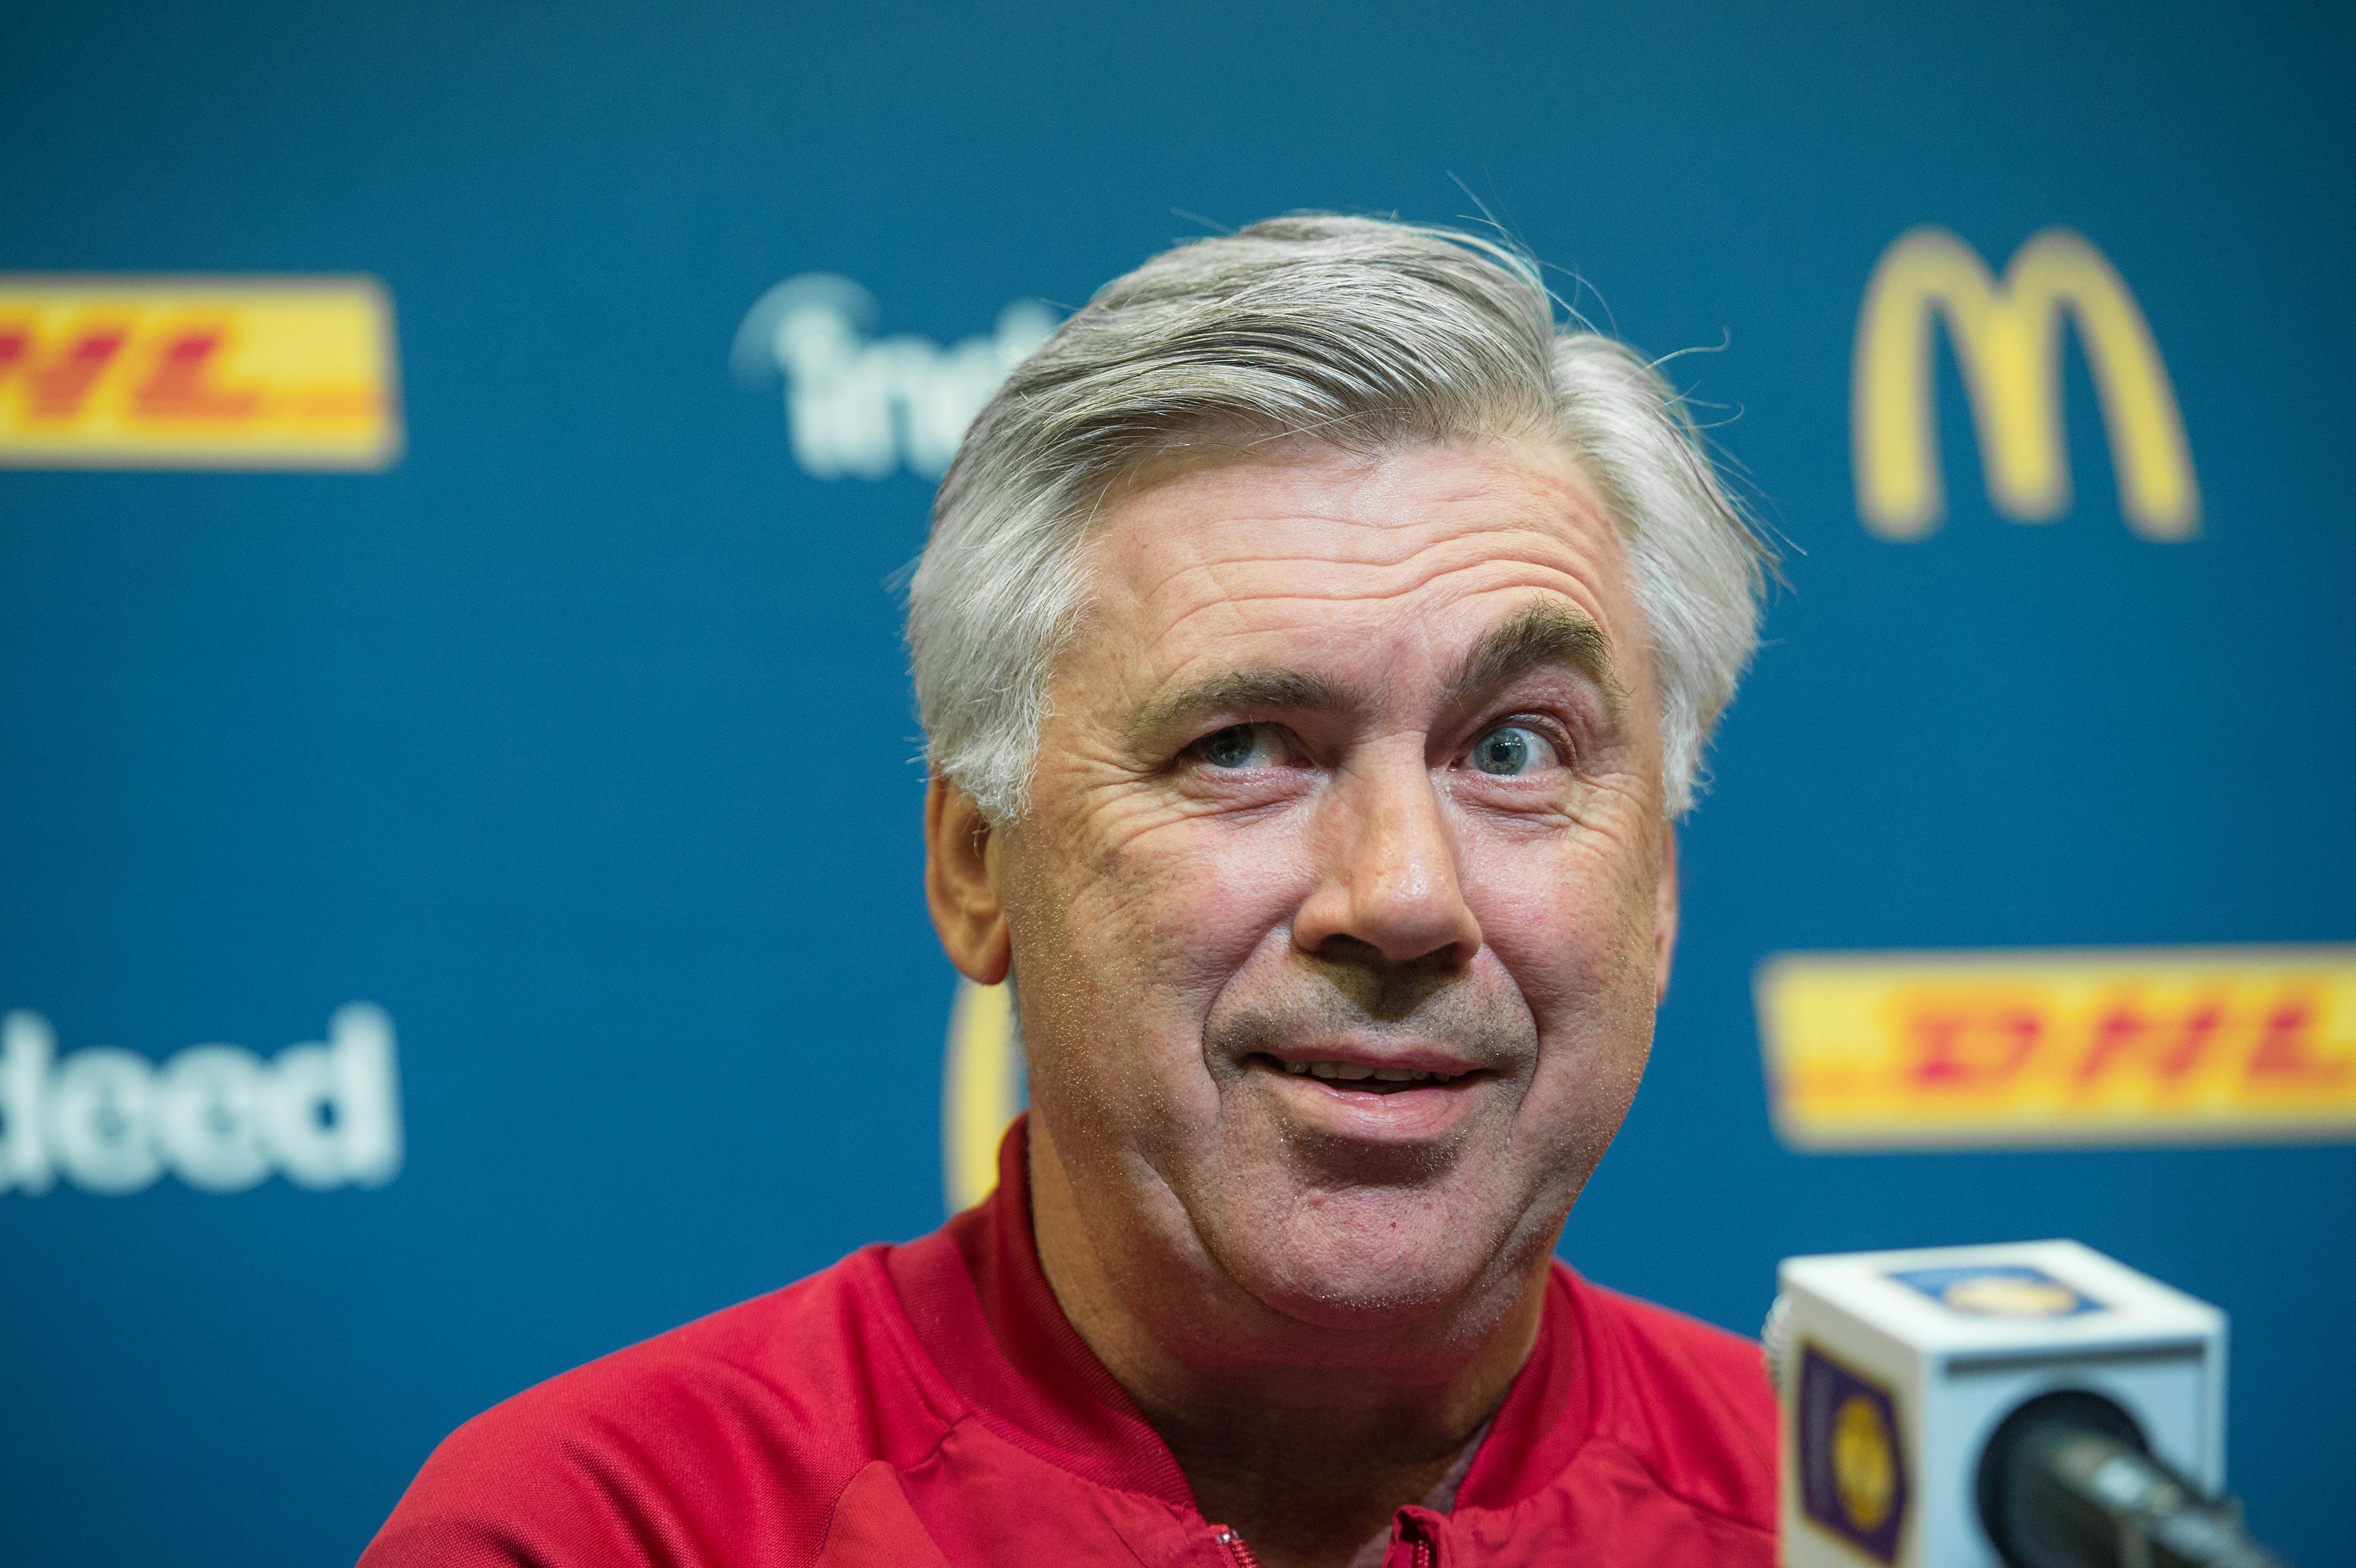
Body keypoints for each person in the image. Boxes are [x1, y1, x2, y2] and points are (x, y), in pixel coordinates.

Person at [362, 215, 1776, 1568]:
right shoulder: (596, 1536)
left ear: (1658, 885)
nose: (1405, 895)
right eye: (1242, 748)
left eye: (1515, 751)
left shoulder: (1873, 1525)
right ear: (979, 865)